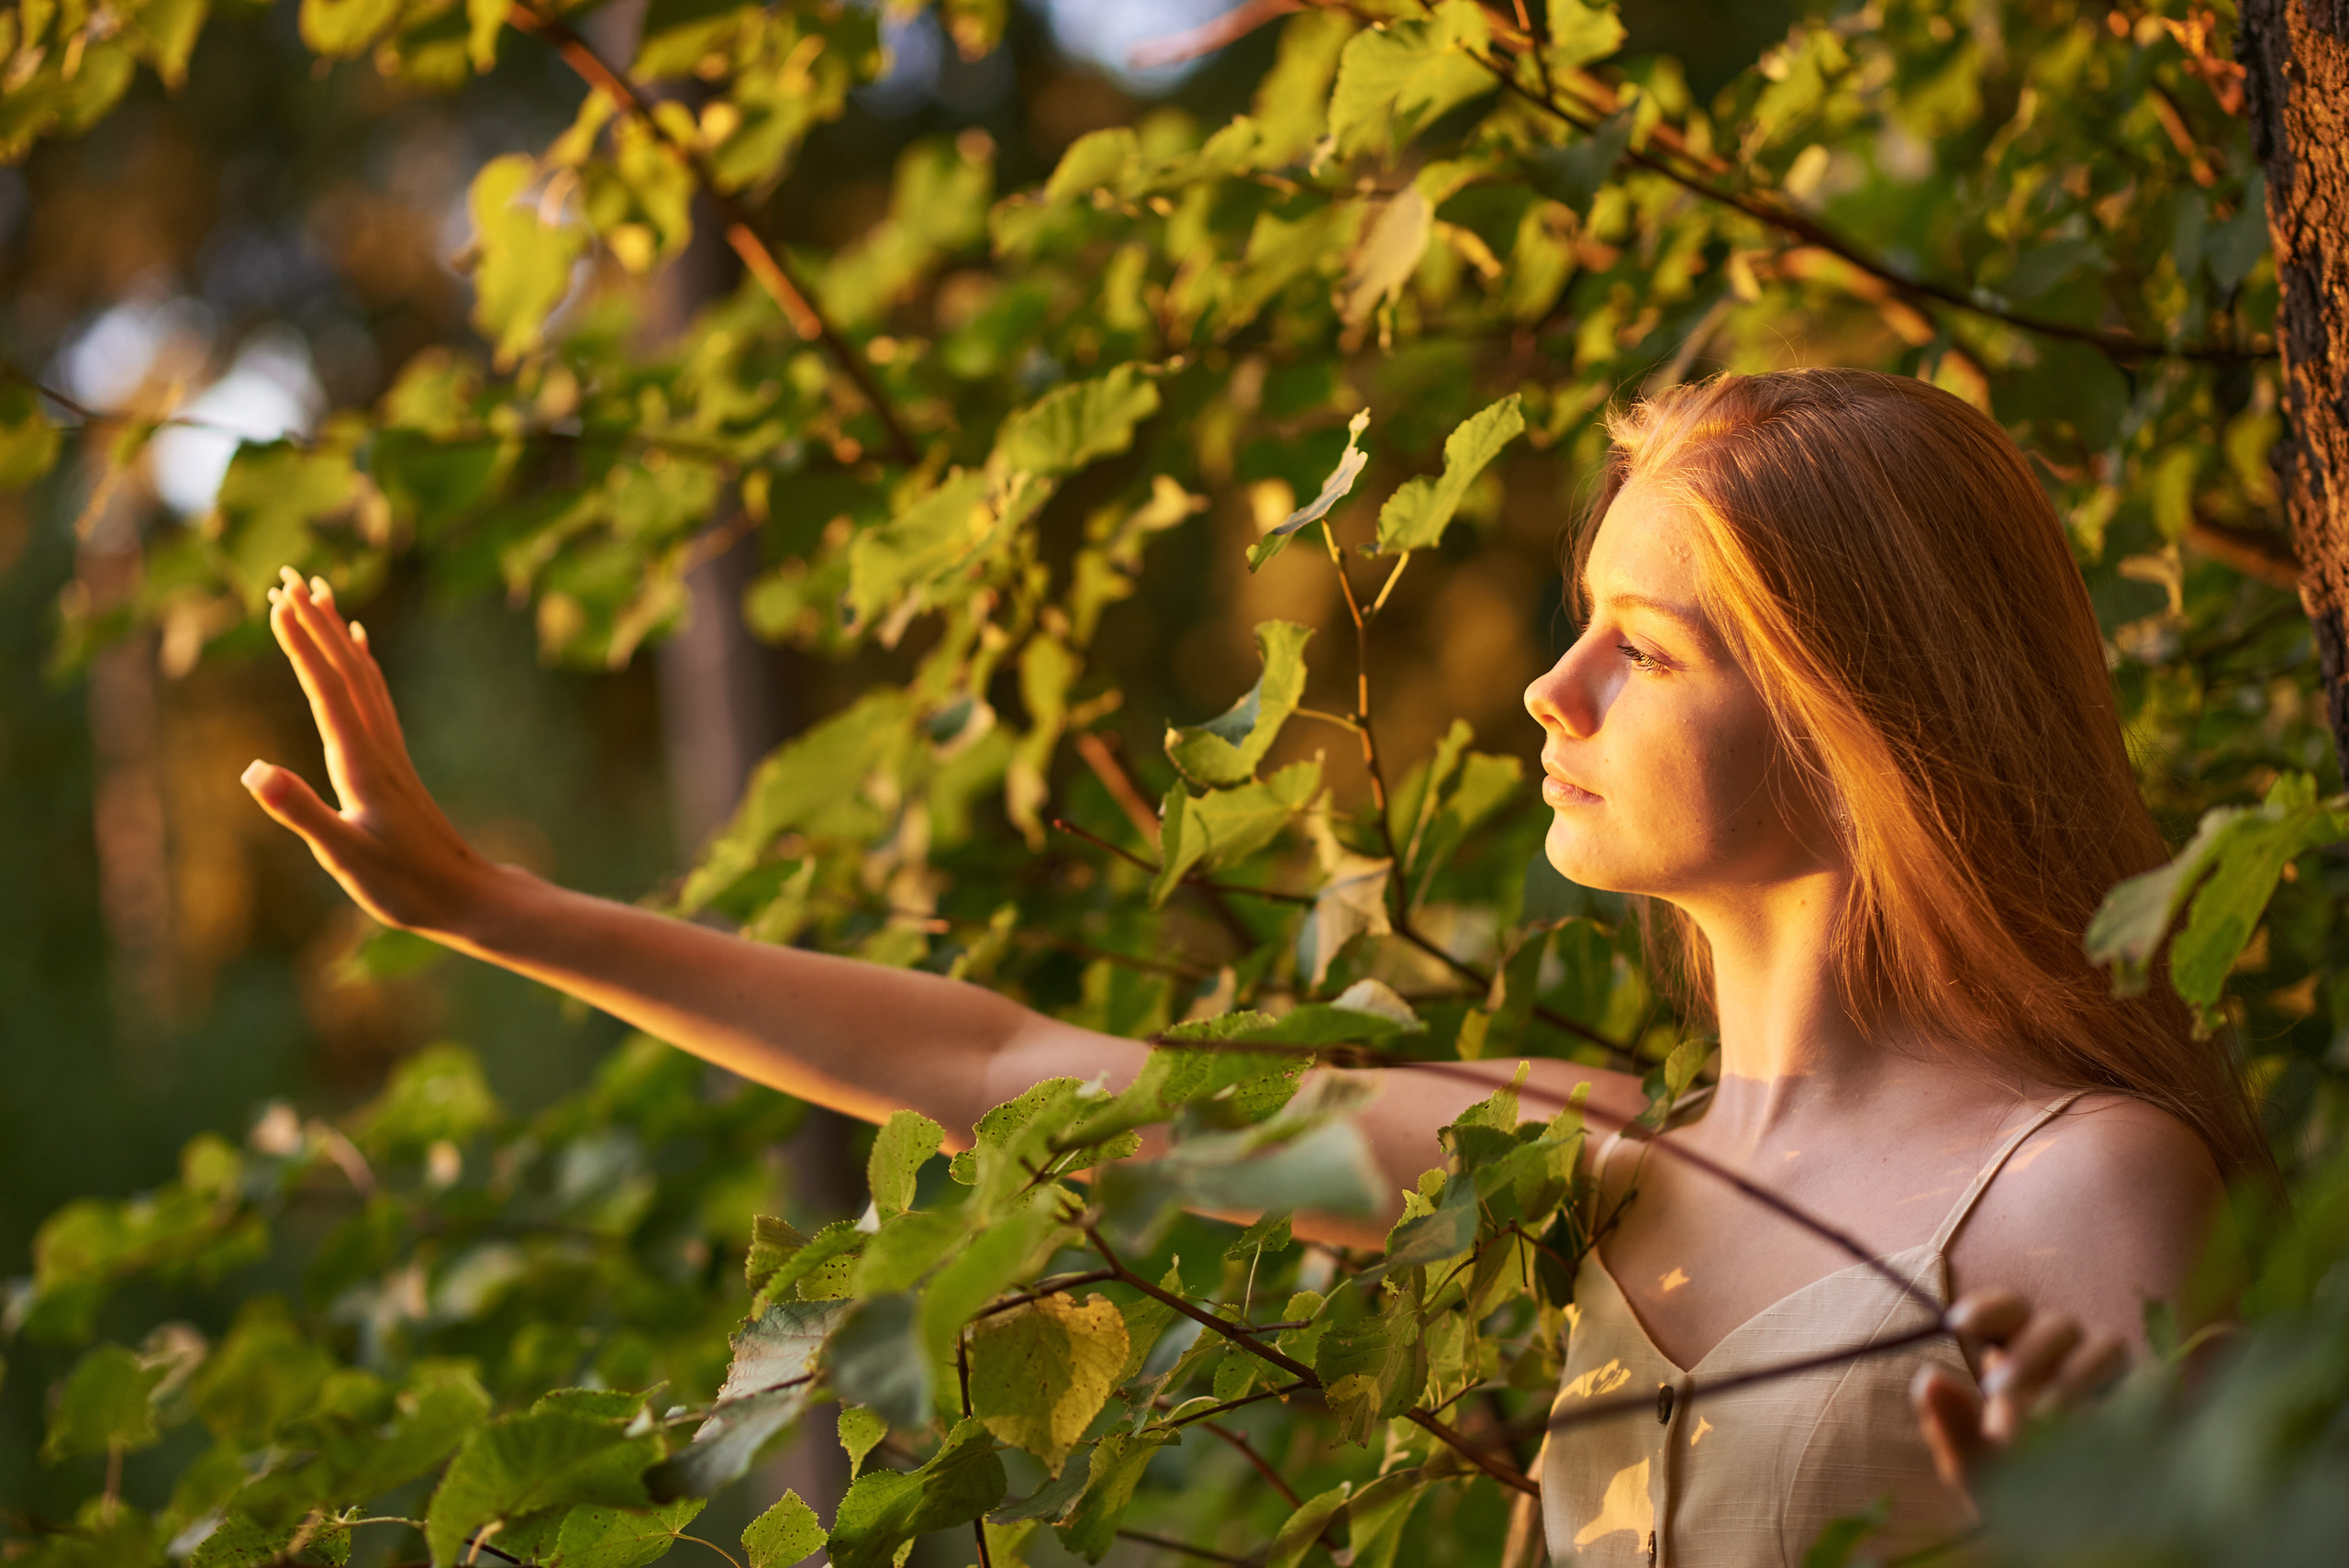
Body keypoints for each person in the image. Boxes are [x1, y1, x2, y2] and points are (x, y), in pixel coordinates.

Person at [239, 368, 2253, 1566]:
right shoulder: (1593, 1163)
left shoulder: (2071, 1187)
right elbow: (1011, 1062)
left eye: (1642, 649)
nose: (1548, 690)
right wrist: (494, 911)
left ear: (1848, 719)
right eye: (1576, 619)